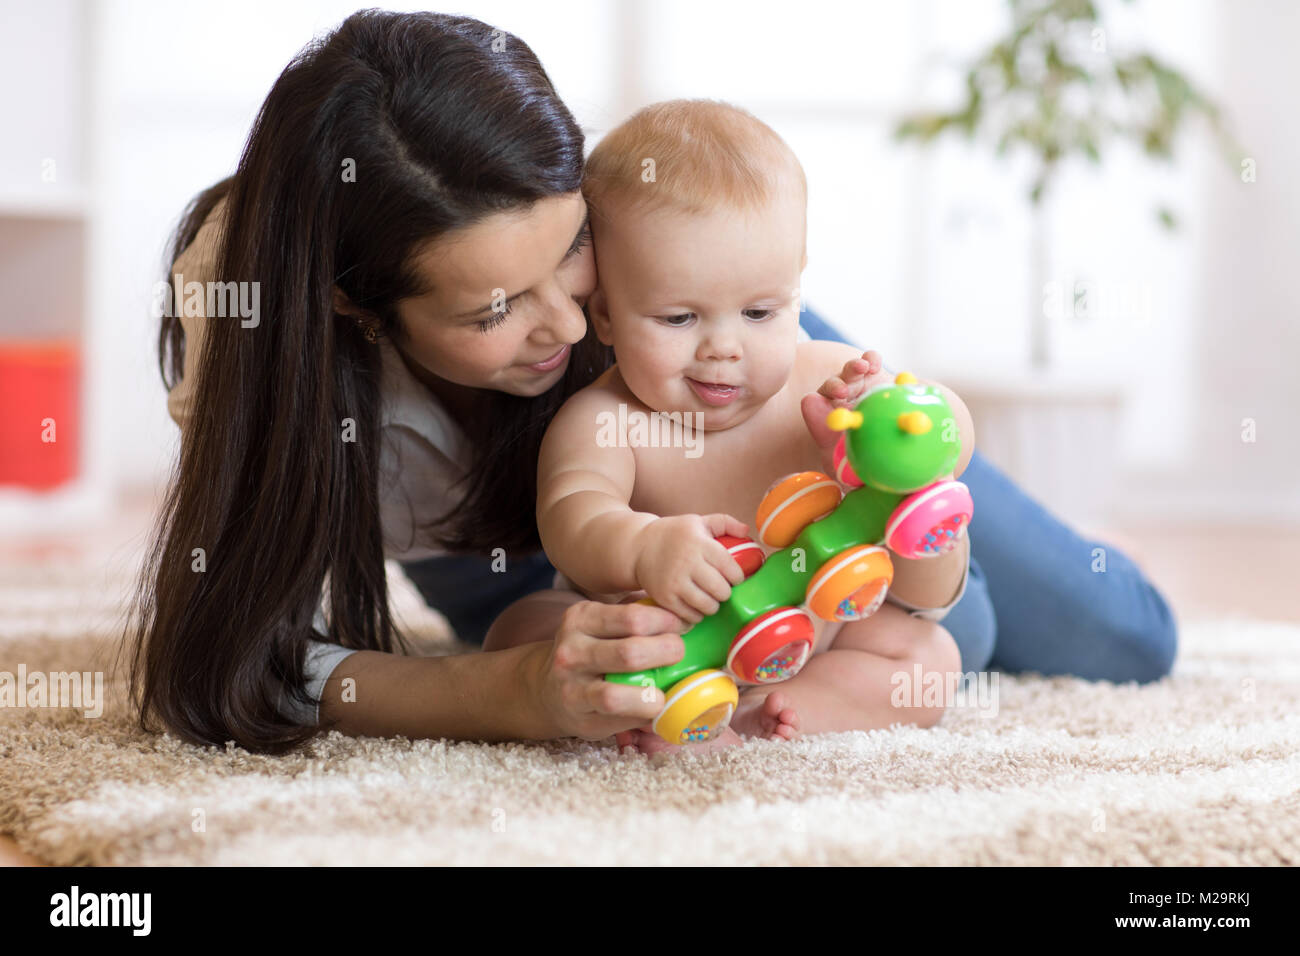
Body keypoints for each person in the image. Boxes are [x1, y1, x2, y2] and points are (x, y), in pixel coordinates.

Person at [128, 10, 1177, 757]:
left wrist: (842, 423)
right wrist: (507, 693)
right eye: (494, 309)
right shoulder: (252, 327)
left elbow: (722, 289)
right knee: (552, 644)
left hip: (712, 375)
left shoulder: (677, 314)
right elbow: (249, 664)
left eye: (573, 247)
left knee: (1081, 637)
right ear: (359, 308)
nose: (569, 322)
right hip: (523, 533)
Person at [508, 99, 972, 750]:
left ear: (796, 294)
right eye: (678, 319)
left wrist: (900, 417)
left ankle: (771, 716)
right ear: (607, 315)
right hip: (666, 642)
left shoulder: (830, 384)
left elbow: (947, 435)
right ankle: (662, 710)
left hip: (815, 631)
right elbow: (572, 518)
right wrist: (642, 546)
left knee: (929, 658)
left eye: (759, 313)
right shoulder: (604, 420)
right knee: (523, 631)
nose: (723, 347)